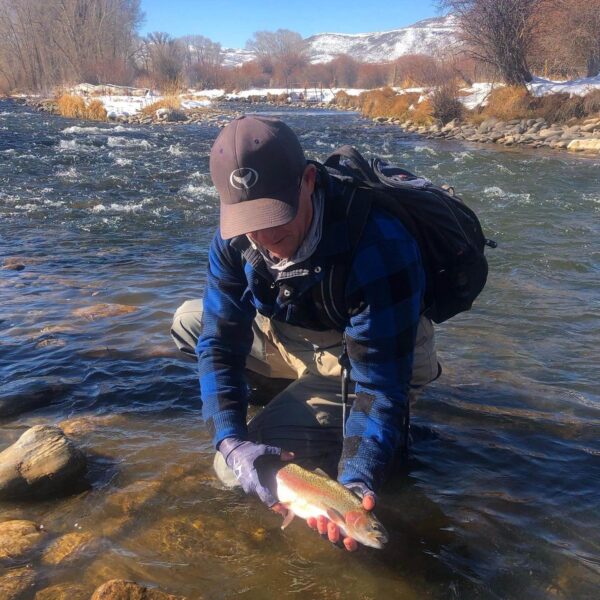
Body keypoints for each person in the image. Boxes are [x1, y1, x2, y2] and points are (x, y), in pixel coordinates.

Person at [171, 115, 440, 551]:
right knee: (191, 321)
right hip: (295, 333)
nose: (263, 237)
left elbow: (381, 385)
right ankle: (296, 404)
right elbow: (219, 345)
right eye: (249, 221)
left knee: (229, 475)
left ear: (309, 181)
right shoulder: (236, 237)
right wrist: (232, 441)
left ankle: (335, 422)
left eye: (276, 219)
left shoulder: (379, 244)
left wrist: (356, 478)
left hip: (376, 353)